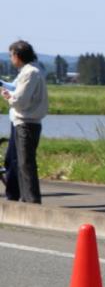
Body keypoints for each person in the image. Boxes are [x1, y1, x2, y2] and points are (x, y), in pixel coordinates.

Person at [1, 40, 48, 203]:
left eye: (11, 55)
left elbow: (19, 99)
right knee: (12, 161)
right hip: (20, 122)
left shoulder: (30, 73)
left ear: (18, 55)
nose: (11, 58)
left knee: (25, 163)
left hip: (26, 122)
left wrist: (6, 95)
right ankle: (13, 195)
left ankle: (31, 200)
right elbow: (15, 87)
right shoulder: (29, 71)